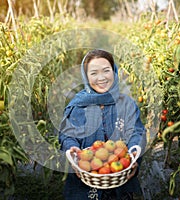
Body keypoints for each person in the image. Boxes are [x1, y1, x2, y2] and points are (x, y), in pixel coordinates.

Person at [58, 49, 147, 200]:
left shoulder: (126, 104)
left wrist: (133, 155)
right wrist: (72, 150)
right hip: (85, 179)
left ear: (114, 71)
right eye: (94, 73)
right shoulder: (78, 105)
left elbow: (137, 133)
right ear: (86, 77)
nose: (101, 78)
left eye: (106, 71)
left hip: (121, 175)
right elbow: (67, 135)